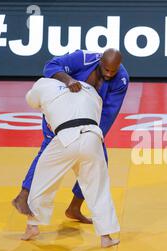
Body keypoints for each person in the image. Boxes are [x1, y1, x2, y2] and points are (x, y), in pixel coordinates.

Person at [12, 48, 129, 224]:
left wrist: (95, 135)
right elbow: (50, 66)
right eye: (106, 69)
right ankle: (25, 193)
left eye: (114, 70)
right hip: (60, 114)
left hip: (87, 119)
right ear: (100, 62)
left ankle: (74, 207)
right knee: (48, 151)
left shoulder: (121, 79)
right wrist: (68, 80)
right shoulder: (82, 59)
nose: (109, 74)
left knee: (98, 158)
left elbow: (108, 112)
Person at [21, 77, 120, 248]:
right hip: (92, 137)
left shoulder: (43, 83)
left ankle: (32, 226)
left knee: (42, 179)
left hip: (64, 138)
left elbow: (31, 101)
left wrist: (49, 112)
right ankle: (106, 237)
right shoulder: (90, 90)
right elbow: (94, 115)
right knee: (98, 189)